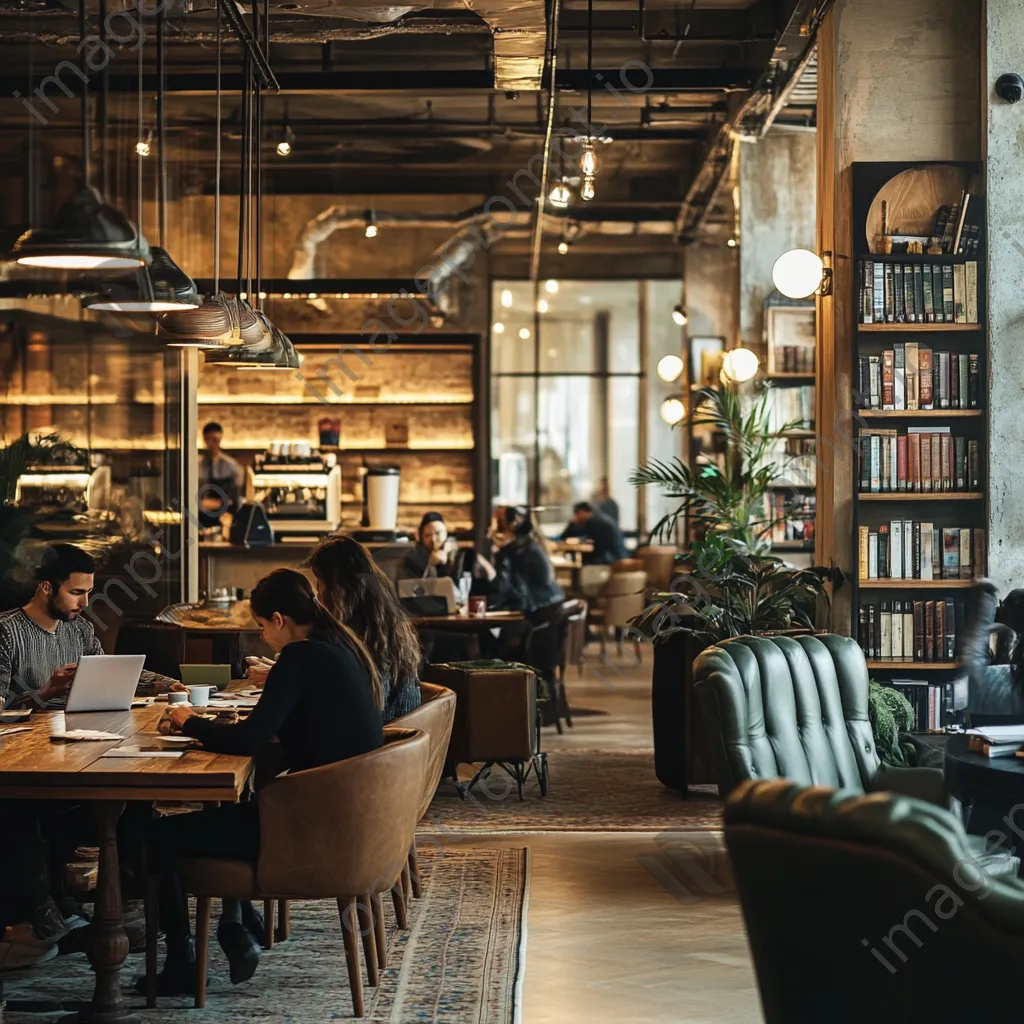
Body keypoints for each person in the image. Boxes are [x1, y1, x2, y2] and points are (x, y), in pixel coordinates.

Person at [143, 568, 383, 994]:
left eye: (260, 627)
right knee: (234, 811)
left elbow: (252, 739)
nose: (262, 638)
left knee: (153, 837)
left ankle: (182, 963)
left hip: (304, 830)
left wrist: (190, 722)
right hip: (351, 820)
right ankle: (238, 925)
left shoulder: (301, 656)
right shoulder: (340, 646)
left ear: (277, 619)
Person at [0, 543, 179, 710]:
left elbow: (108, 672)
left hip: (76, 734)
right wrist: (45, 692)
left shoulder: (81, 630)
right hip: (24, 741)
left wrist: (171, 685)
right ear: (47, 588)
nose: (85, 602)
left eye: (88, 592)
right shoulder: (6, 631)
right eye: (76, 592)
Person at [308, 534, 423, 722]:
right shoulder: (382, 619)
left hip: (384, 744)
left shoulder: (364, 637)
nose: (318, 591)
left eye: (320, 581)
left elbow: (366, 708)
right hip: (400, 740)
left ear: (339, 589)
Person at [399, 511, 496, 586]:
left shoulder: (459, 553)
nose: (433, 540)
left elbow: (490, 575)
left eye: (438, 533)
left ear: (446, 533)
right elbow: (413, 591)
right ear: (421, 537)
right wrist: (431, 566)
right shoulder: (414, 556)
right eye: (427, 535)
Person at [198, 421, 245, 528]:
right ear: (204, 439)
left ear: (220, 439)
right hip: (200, 516)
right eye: (208, 439)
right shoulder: (196, 465)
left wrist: (220, 503)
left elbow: (236, 494)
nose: (211, 443)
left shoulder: (231, 466)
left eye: (215, 440)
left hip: (225, 517)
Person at [560, 501, 628, 565]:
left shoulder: (594, 522)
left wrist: (572, 524)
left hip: (610, 560)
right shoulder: (599, 519)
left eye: (577, 514)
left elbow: (566, 536)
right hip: (617, 556)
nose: (576, 517)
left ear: (583, 512)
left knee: (581, 564)